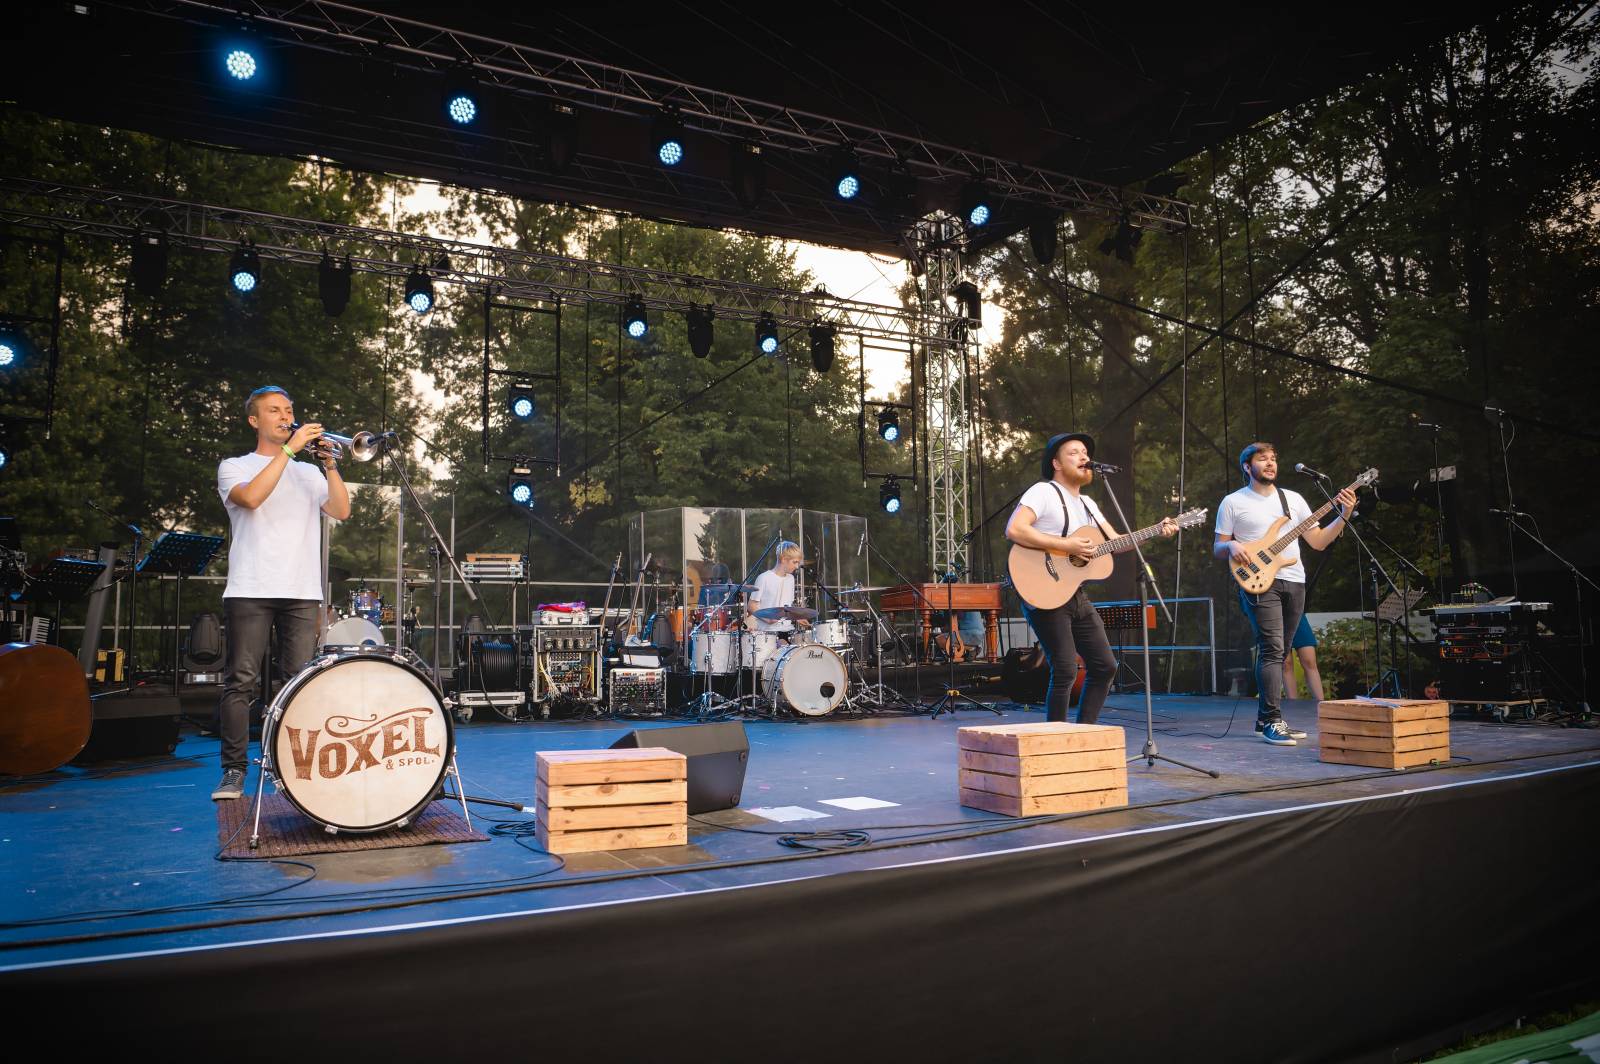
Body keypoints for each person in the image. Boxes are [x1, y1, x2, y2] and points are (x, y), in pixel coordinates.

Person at [211, 386, 351, 799]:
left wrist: (329, 466)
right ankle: (234, 771)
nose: (284, 415)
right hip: (250, 588)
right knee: (242, 682)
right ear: (254, 420)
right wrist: (289, 451)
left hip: (301, 589)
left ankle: (293, 767)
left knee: (297, 684)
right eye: (274, 410)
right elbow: (252, 498)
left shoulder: (308, 472)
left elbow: (341, 510)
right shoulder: (234, 466)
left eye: (288, 410)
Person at [1005, 432, 1176, 724]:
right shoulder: (1043, 491)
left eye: (1085, 452)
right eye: (1075, 452)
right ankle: (1056, 742)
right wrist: (1066, 546)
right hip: (1042, 587)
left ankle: (1084, 733)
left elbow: (1117, 542)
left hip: (1074, 593)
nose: (1085, 457)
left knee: (1105, 666)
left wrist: (1155, 530)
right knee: (1065, 669)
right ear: (1056, 463)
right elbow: (1015, 529)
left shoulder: (1088, 504)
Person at [1214, 442, 1354, 746]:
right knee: (1273, 649)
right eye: (1262, 459)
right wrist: (1232, 546)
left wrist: (1344, 513)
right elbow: (1218, 546)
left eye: (1273, 459)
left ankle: (1264, 719)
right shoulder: (1233, 502)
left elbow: (1317, 542)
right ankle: (1273, 721)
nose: (1270, 463)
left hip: (1294, 579)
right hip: (1259, 582)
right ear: (1247, 467)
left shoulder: (1293, 500)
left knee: (1280, 650)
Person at [746, 541, 809, 637]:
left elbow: (786, 607)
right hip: (768, 633)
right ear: (783, 559)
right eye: (794, 562)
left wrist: (797, 617)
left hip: (787, 630)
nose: (797, 566)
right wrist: (768, 619)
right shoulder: (764, 578)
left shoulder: (790, 579)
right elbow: (751, 606)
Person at [1282, 613, 1325, 703]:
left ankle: (1321, 704)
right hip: (1273, 613)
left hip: (1295, 611)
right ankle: (1292, 705)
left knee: (1309, 661)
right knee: (1286, 664)